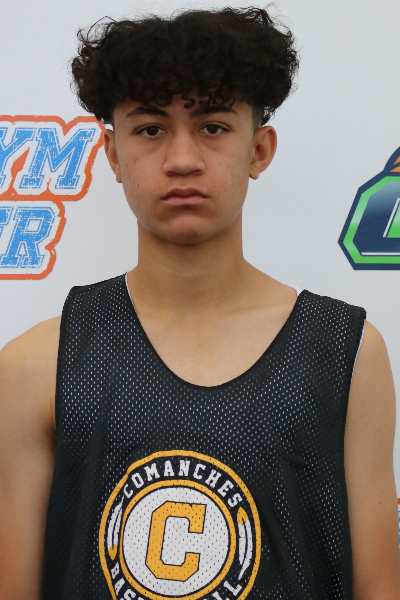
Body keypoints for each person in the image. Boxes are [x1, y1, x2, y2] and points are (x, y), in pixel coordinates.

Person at [0, 6, 399, 600]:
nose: (182, 159)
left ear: (258, 150)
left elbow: (378, 586)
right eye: (150, 129)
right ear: (113, 155)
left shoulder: (346, 353)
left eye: (212, 127)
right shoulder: (37, 364)